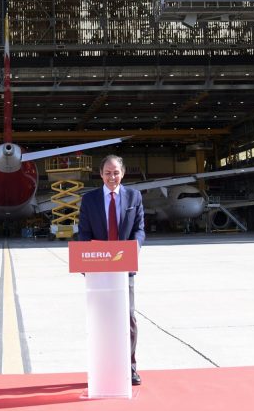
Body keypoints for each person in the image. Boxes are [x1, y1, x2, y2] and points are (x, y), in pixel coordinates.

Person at [77, 155, 146, 386]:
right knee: (100, 320)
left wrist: (134, 249)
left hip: (124, 269)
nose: (112, 177)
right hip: (98, 271)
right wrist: (87, 261)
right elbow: (84, 234)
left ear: (123, 173)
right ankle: (101, 366)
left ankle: (130, 367)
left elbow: (139, 230)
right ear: (101, 174)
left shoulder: (134, 197)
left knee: (128, 319)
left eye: (115, 172)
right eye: (107, 173)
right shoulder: (89, 200)